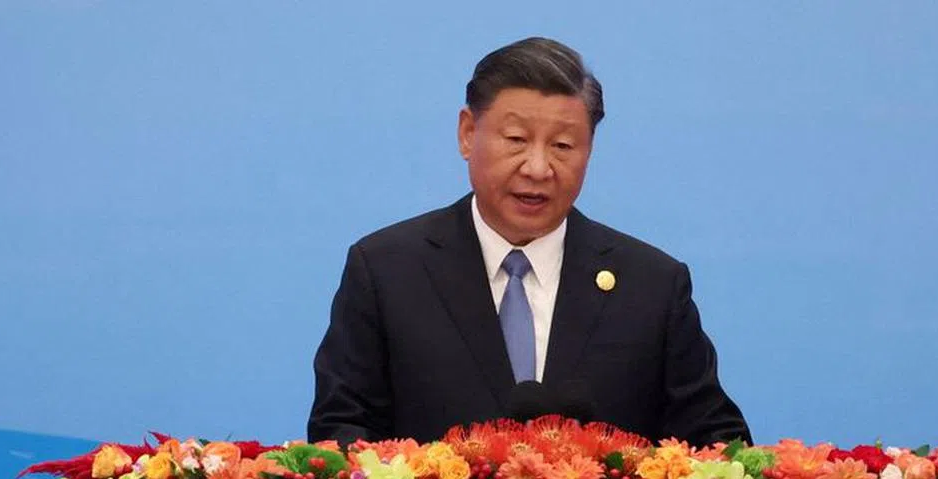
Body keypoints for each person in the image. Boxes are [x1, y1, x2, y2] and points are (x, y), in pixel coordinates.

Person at [308, 37, 751, 448]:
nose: (538, 168)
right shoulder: (387, 270)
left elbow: (715, 442)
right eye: (516, 140)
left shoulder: (652, 285)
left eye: (562, 145)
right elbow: (342, 434)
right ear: (467, 133)